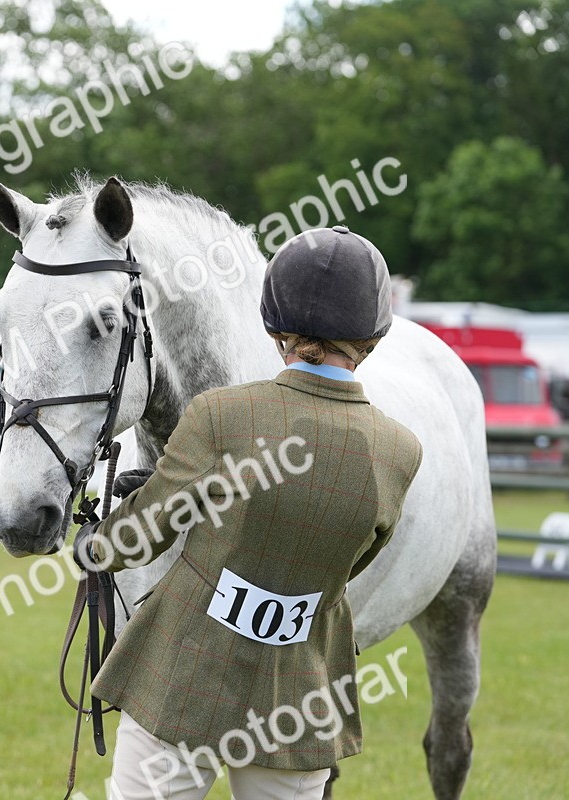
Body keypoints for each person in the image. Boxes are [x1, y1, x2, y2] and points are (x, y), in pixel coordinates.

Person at [74, 226, 424, 800]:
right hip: (300, 693)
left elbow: (137, 540)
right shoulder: (399, 451)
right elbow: (352, 564)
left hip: (181, 679)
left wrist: (95, 539)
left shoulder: (222, 415)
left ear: (273, 325)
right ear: (374, 337)